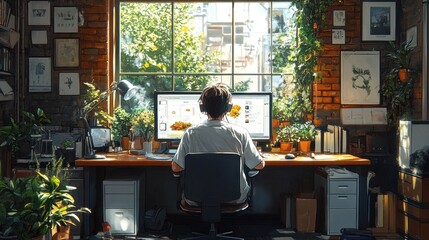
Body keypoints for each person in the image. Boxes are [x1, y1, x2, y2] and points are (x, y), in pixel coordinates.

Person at [172, 83, 265, 206]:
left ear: (203, 108)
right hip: (234, 198)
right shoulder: (240, 133)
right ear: (228, 108)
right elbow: (259, 165)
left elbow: (176, 168)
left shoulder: (190, 133)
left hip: (196, 198)